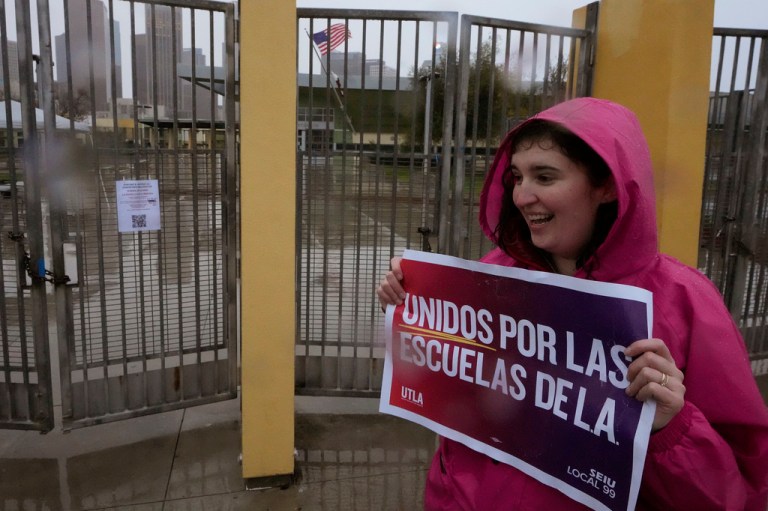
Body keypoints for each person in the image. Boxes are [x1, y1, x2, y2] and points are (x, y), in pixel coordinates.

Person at [377, 97, 768, 510]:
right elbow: (458, 407)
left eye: (544, 177)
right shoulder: (493, 275)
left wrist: (669, 425)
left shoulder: (684, 301)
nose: (522, 196)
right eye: (516, 177)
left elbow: (739, 492)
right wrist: (410, 304)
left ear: (605, 185)